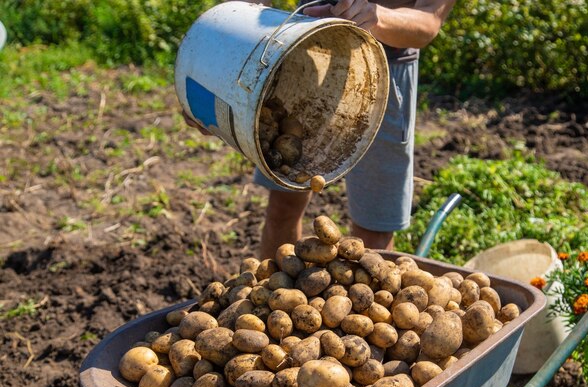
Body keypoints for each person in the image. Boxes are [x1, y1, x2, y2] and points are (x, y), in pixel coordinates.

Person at [185, 0, 456, 260]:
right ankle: (272, 299)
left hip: (382, 72)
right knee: (282, 206)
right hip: (301, 57)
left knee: (373, 233)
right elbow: (248, 7)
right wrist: (220, 69)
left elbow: (430, 19)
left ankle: (367, 304)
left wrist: (376, 17)